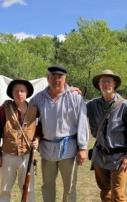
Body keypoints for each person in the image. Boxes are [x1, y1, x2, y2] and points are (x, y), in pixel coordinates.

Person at [29, 64, 89, 202]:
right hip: (47, 149)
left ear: (65, 78)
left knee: (69, 186)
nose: (56, 80)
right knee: (48, 184)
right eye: (53, 76)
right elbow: (29, 119)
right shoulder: (39, 98)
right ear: (47, 78)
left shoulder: (75, 97)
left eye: (60, 77)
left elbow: (82, 122)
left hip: (69, 148)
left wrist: (83, 147)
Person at [87, 70, 127, 202]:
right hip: (100, 156)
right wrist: (72, 91)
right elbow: (75, 108)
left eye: (108, 81)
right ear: (99, 85)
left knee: (118, 195)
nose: (106, 84)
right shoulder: (92, 105)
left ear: (114, 84)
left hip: (119, 158)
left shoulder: (125, 105)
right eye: (102, 82)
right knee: (105, 192)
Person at [0, 78, 42, 202]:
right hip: (8, 155)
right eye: (17, 91)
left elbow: (39, 130)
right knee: (4, 189)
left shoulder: (34, 110)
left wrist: (37, 140)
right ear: (12, 93)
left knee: (28, 190)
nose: (19, 94)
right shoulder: (3, 110)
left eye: (22, 91)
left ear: (26, 93)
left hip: (27, 155)